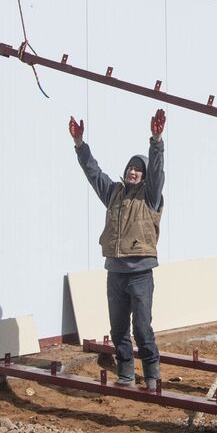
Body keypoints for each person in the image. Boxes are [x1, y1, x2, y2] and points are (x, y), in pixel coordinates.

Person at [69, 108, 166, 390]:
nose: (133, 171)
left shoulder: (151, 197)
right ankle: (125, 373)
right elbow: (93, 172)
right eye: (130, 168)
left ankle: (151, 374)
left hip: (140, 273)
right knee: (119, 329)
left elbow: (158, 171)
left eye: (138, 169)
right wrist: (79, 145)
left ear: (144, 175)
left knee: (142, 329)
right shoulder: (113, 193)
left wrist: (156, 140)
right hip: (115, 272)